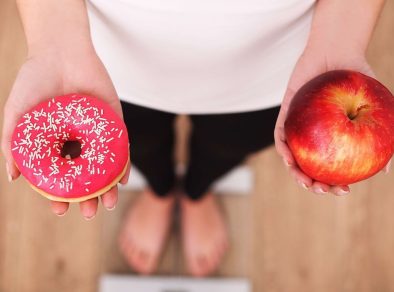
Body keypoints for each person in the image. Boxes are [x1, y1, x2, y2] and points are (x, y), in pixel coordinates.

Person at [1, 0, 390, 277]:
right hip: (99, 61)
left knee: (228, 145)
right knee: (140, 143)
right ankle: (160, 188)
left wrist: (341, 38)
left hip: (280, 67)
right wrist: (53, 39)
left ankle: (197, 192)